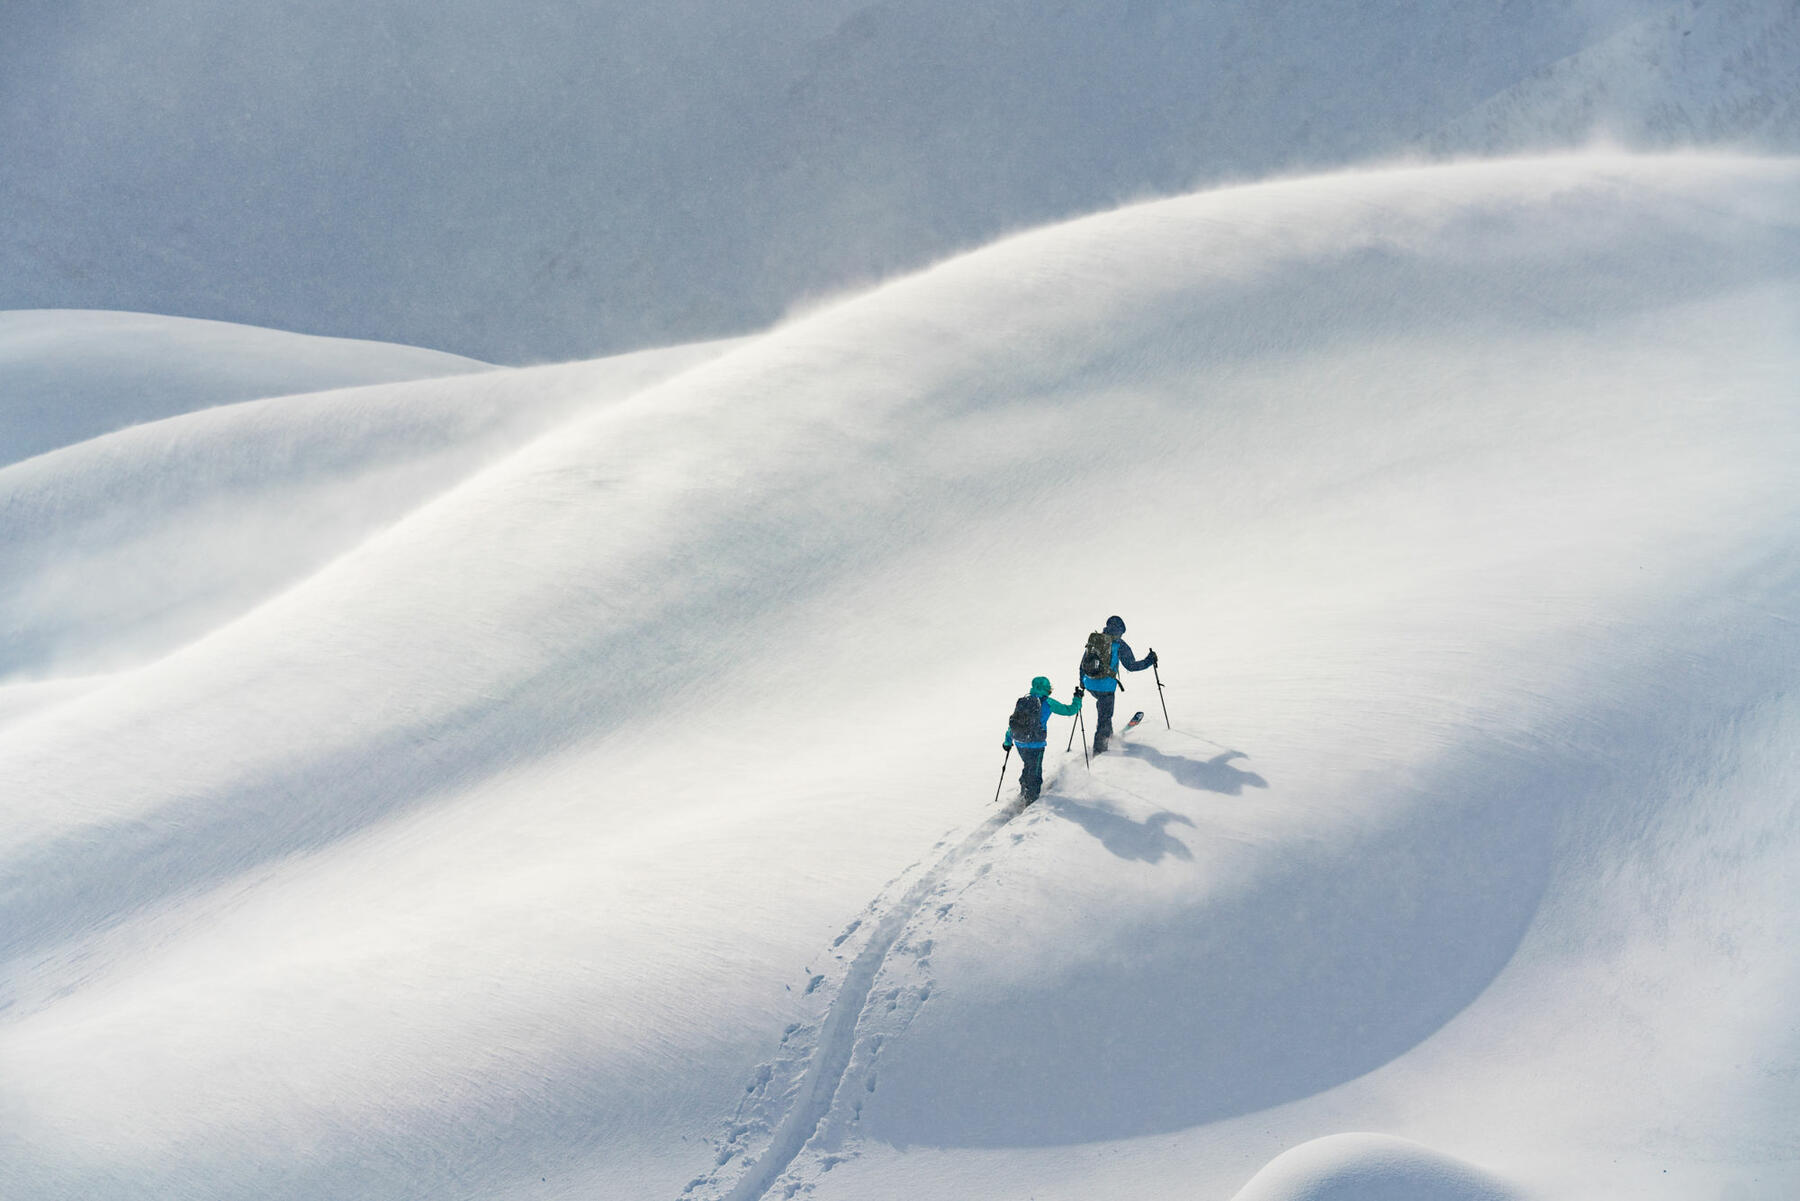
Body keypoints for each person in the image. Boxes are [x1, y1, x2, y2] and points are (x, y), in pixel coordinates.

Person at [1079, 615, 1156, 753]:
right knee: (1104, 717)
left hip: (1089, 683)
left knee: (1104, 710)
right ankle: (1100, 750)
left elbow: (1083, 663)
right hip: (1106, 687)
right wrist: (1149, 661)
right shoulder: (1120, 644)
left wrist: (1082, 682)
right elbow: (1131, 666)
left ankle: (1108, 735)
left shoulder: (1096, 639)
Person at [1002, 676, 1084, 803]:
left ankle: (1024, 791)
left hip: (1019, 741)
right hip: (1035, 744)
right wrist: (1077, 699)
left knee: (1028, 765)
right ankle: (1031, 801)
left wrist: (1008, 741)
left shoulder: (1023, 701)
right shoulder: (1047, 702)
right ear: (1046, 688)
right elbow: (1069, 710)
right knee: (1035, 772)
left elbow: (1014, 723)